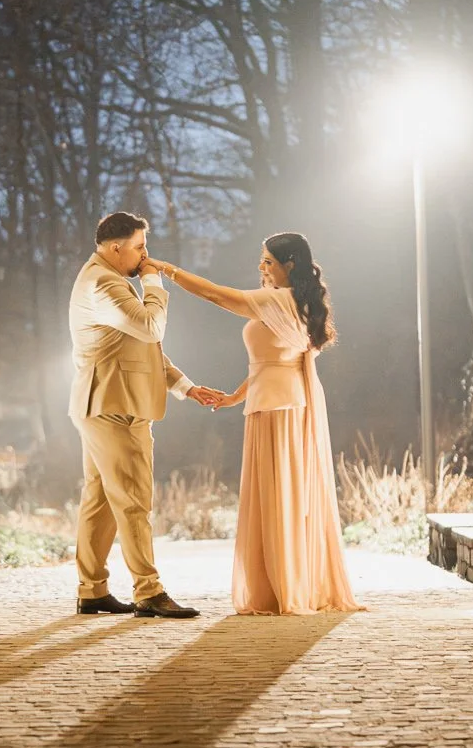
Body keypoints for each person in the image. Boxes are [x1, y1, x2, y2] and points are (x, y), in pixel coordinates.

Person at [145, 233, 361, 616]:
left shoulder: (277, 300)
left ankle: (282, 588)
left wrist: (167, 270)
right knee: (280, 495)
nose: (261, 267)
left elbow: (216, 295)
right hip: (279, 403)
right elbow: (273, 362)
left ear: (289, 264)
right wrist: (235, 396)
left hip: (278, 408)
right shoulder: (295, 301)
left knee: (277, 496)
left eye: (268, 261)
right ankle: (284, 584)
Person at [69, 211, 221, 618]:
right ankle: (148, 591)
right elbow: (151, 327)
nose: (145, 255)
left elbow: (138, 347)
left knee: (101, 500)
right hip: (115, 406)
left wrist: (186, 387)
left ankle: (92, 590)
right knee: (133, 500)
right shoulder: (103, 283)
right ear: (115, 247)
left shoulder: (105, 279)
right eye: (139, 247)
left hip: (101, 403)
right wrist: (153, 282)